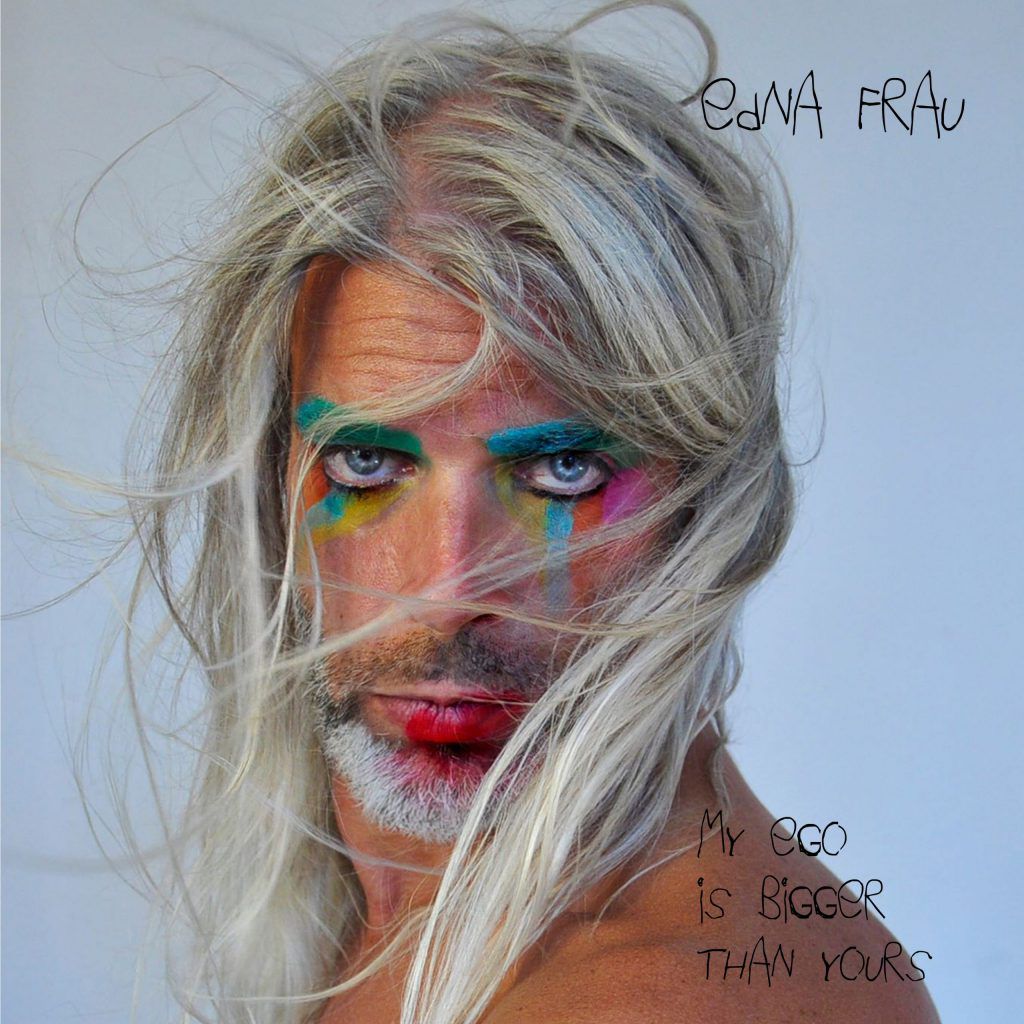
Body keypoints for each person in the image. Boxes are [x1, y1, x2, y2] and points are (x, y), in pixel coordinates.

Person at [75, 2, 941, 1021]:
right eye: (364, 462)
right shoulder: (393, 903)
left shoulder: (674, 998)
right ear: (271, 469)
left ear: (710, 499)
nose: (445, 594)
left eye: (562, 472)